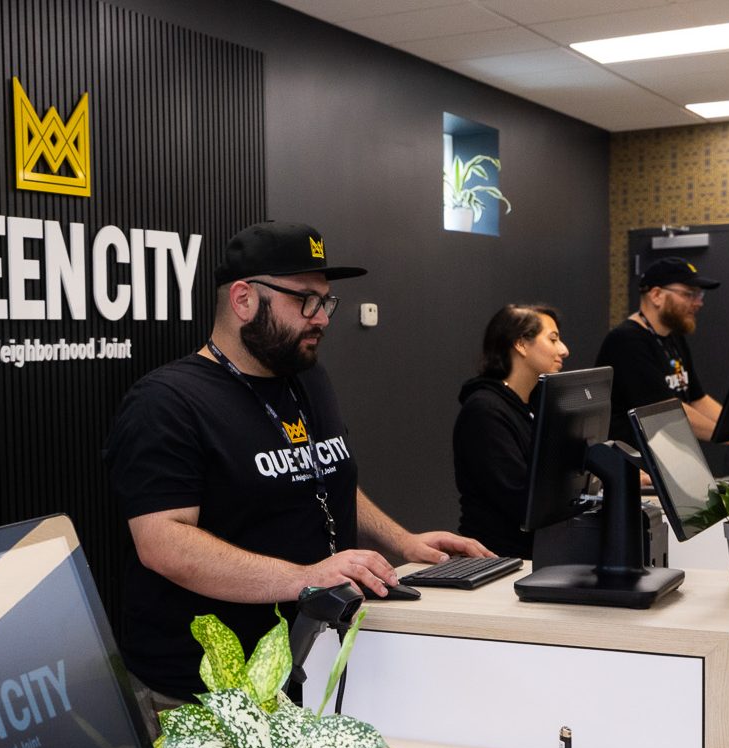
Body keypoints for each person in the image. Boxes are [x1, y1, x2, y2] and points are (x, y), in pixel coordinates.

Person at [104, 221, 491, 703]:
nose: (322, 318)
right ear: (244, 300)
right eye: (305, 300)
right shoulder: (166, 402)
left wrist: (403, 543)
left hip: (310, 665)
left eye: (326, 301)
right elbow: (163, 543)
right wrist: (305, 578)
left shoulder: (307, 379)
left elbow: (323, 478)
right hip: (205, 693)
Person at [452, 303, 569, 559]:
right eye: (553, 339)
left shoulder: (537, 403)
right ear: (521, 344)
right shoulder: (484, 411)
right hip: (499, 558)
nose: (564, 350)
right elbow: (520, 498)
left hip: (539, 551)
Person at [596, 257, 723, 444]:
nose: (698, 303)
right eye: (689, 294)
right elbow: (667, 412)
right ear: (656, 295)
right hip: (633, 466)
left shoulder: (673, 337)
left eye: (699, 295)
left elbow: (698, 399)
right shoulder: (626, 341)